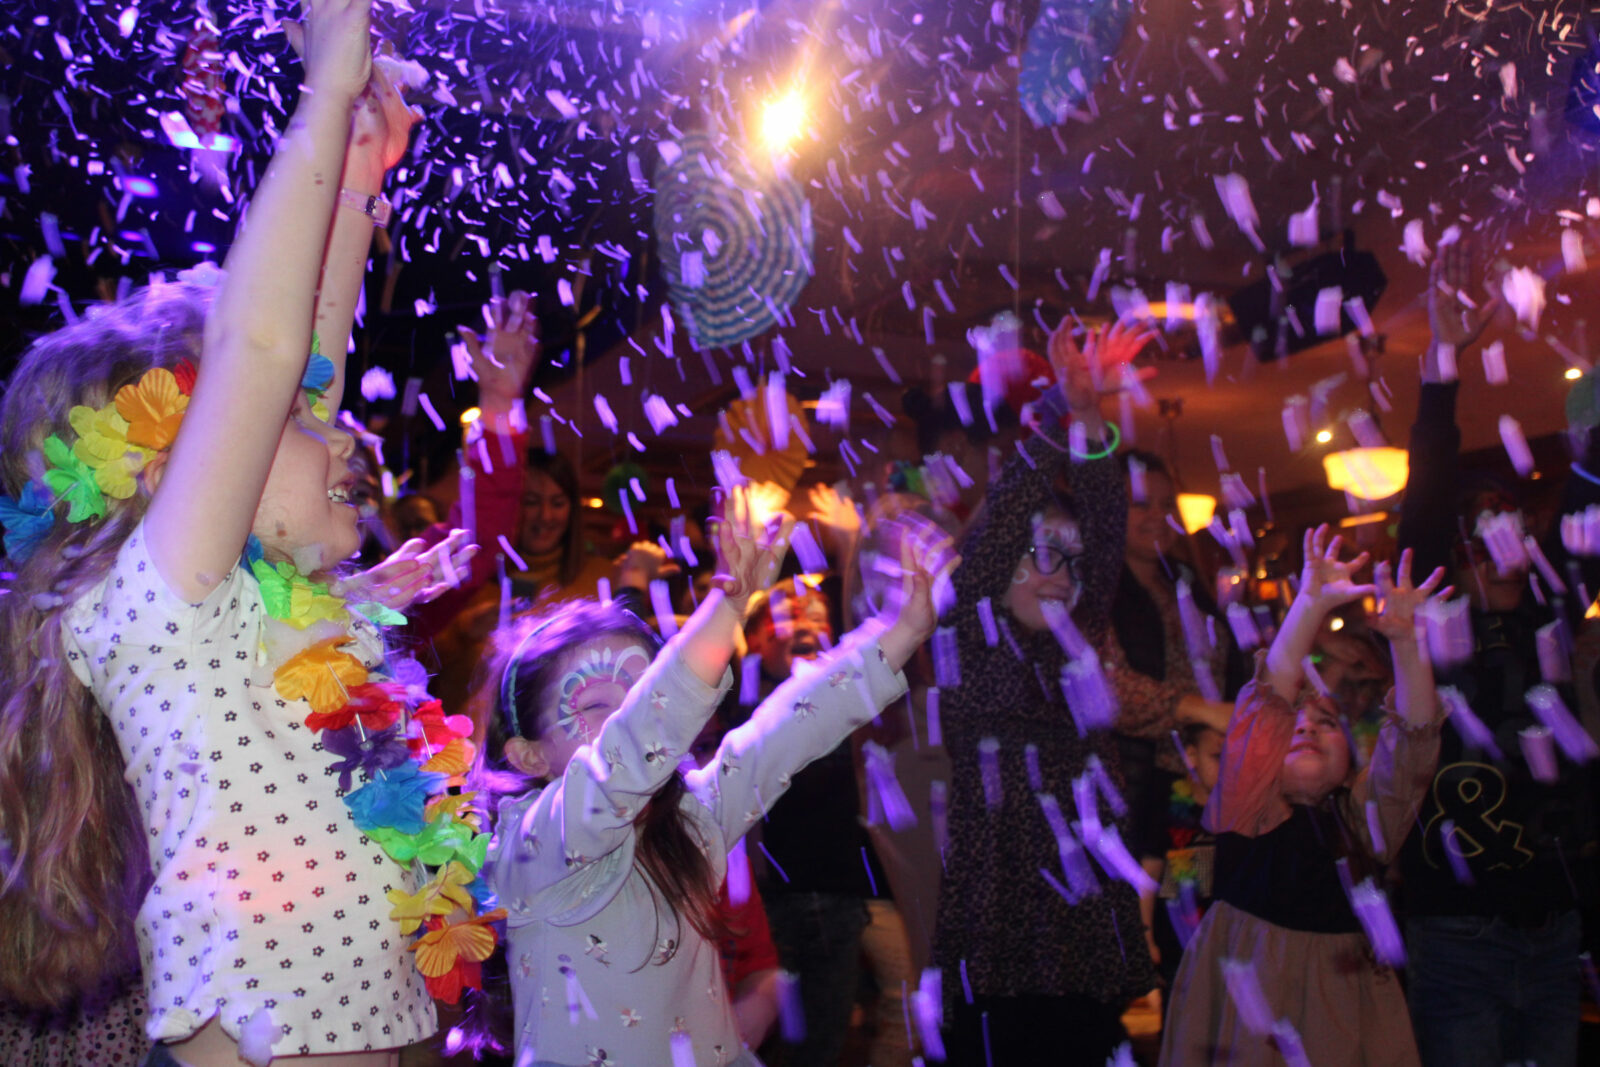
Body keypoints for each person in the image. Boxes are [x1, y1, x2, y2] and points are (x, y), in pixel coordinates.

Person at [0, 7, 492, 1063]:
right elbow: (264, 347)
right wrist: (319, 100)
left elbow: (299, 351)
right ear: (189, 466)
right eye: (298, 421)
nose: (342, 426)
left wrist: (358, 183)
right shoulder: (159, 606)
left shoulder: (267, 616)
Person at [480, 489, 949, 1067]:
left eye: (643, 690)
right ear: (527, 756)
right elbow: (626, 755)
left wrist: (901, 629)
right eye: (603, 706)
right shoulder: (530, 842)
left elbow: (786, 732)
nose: (636, 717)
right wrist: (727, 608)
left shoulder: (690, 819)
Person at [1395, 238, 1600, 1067]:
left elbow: (1592, 487)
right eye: (1480, 524)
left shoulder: (1556, 601)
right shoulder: (1438, 612)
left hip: (1555, 923)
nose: (1498, 532)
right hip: (1455, 930)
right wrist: (1442, 364)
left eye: (1509, 516)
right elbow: (1428, 493)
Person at [932, 316, 1157, 1065]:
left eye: (1071, 559)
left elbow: (1102, 515)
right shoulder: (969, 633)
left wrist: (1092, 416)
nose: (1059, 571)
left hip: (1085, 942)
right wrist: (1059, 411)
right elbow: (995, 529)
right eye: (1040, 554)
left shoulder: (1077, 644)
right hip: (1000, 942)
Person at [1158, 528, 1448, 1067]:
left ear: (1350, 765)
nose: (1306, 728)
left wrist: (1409, 645)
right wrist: (1309, 605)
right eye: (1294, 722)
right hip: (1250, 1013)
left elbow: (1410, 749)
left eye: (1326, 723)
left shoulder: (1361, 825)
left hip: (1345, 1010)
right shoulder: (1245, 811)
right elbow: (1267, 708)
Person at [1101, 450, 1244, 911]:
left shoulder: (1186, 583)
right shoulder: (1096, 591)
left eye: (1167, 506)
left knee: (1194, 916)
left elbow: (1227, 674)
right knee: (1139, 932)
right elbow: (1105, 689)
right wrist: (1200, 711)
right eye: (1142, 504)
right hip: (1132, 792)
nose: (1158, 518)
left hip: (1196, 793)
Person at [1135, 721, 1223, 995]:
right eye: (1219, 757)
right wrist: (1146, 938)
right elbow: (1147, 876)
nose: (1229, 766)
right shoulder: (1168, 809)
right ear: (1191, 756)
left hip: (1227, 943)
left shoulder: (1242, 816)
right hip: (1177, 942)